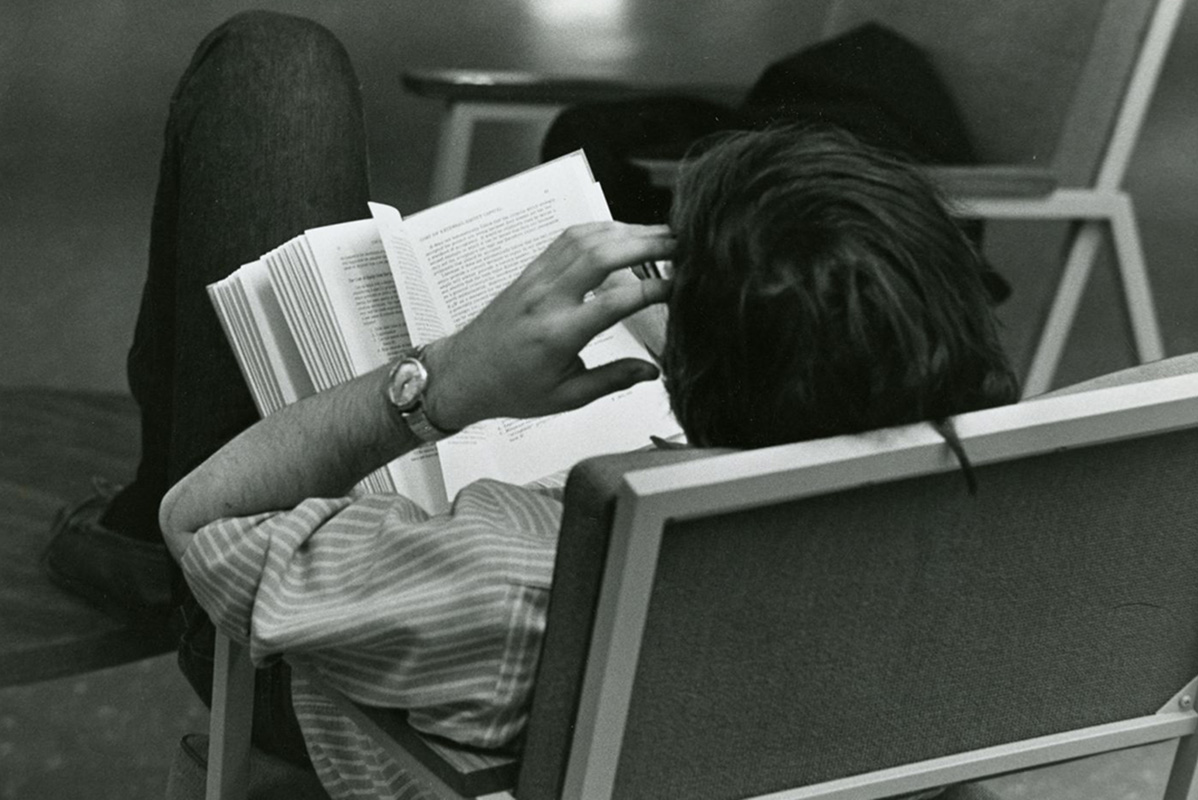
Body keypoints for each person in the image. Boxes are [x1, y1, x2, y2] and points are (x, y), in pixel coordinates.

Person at [45, 11, 1018, 798]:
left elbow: (203, 514)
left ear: (685, 357)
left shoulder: (516, 580)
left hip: (383, 634)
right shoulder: (1004, 532)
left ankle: (117, 537)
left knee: (271, 69)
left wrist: (450, 380)